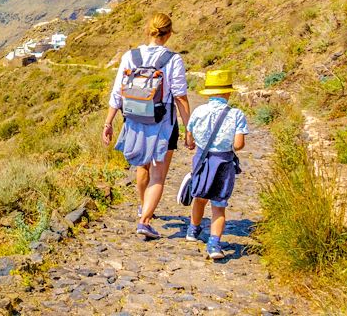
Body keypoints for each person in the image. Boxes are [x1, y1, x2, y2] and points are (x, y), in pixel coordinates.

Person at [102, 13, 191, 240]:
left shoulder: (130, 56)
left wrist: (108, 122)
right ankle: (145, 221)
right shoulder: (173, 59)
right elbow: (180, 97)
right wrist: (189, 128)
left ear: (148, 30)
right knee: (158, 176)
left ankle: (143, 207)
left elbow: (117, 93)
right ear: (169, 33)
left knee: (142, 168)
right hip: (163, 123)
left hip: (134, 120)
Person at [184, 69, 249, 259]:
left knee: (200, 197)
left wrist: (193, 141)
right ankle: (214, 245)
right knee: (218, 205)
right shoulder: (236, 114)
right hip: (223, 163)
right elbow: (238, 145)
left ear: (209, 93)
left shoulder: (199, 111)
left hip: (202, 160)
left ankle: (192, 231)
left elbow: (188, 138)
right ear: (228, 92)